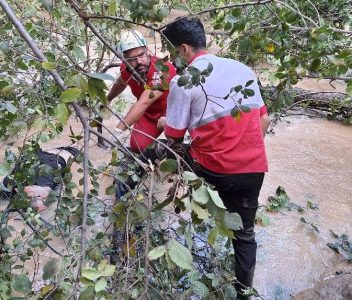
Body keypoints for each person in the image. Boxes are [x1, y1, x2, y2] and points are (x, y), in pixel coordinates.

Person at [161, 18, 270, 299]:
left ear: (183, 49)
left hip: (212, 170)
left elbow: (174, 135)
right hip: (253, 168)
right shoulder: (242, 69)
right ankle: (244, 292)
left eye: (173, 52)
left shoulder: (182, 81)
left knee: (164, 150)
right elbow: (264, 119)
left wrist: (162, 121)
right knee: (245, 236)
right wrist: (243, 148)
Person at [107, 29, 176, 153]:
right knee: (138, 147)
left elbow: (143, 102)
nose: (138, 62)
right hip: (148, 113)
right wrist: (108, 99)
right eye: (132, 59)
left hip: (170, 112)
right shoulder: (127, 68)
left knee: (172, 134)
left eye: (141, 55)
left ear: (147, 50)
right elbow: (120, 83)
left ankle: (172, 149)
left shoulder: (163, 70)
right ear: (125, 59)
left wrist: (118, 131)